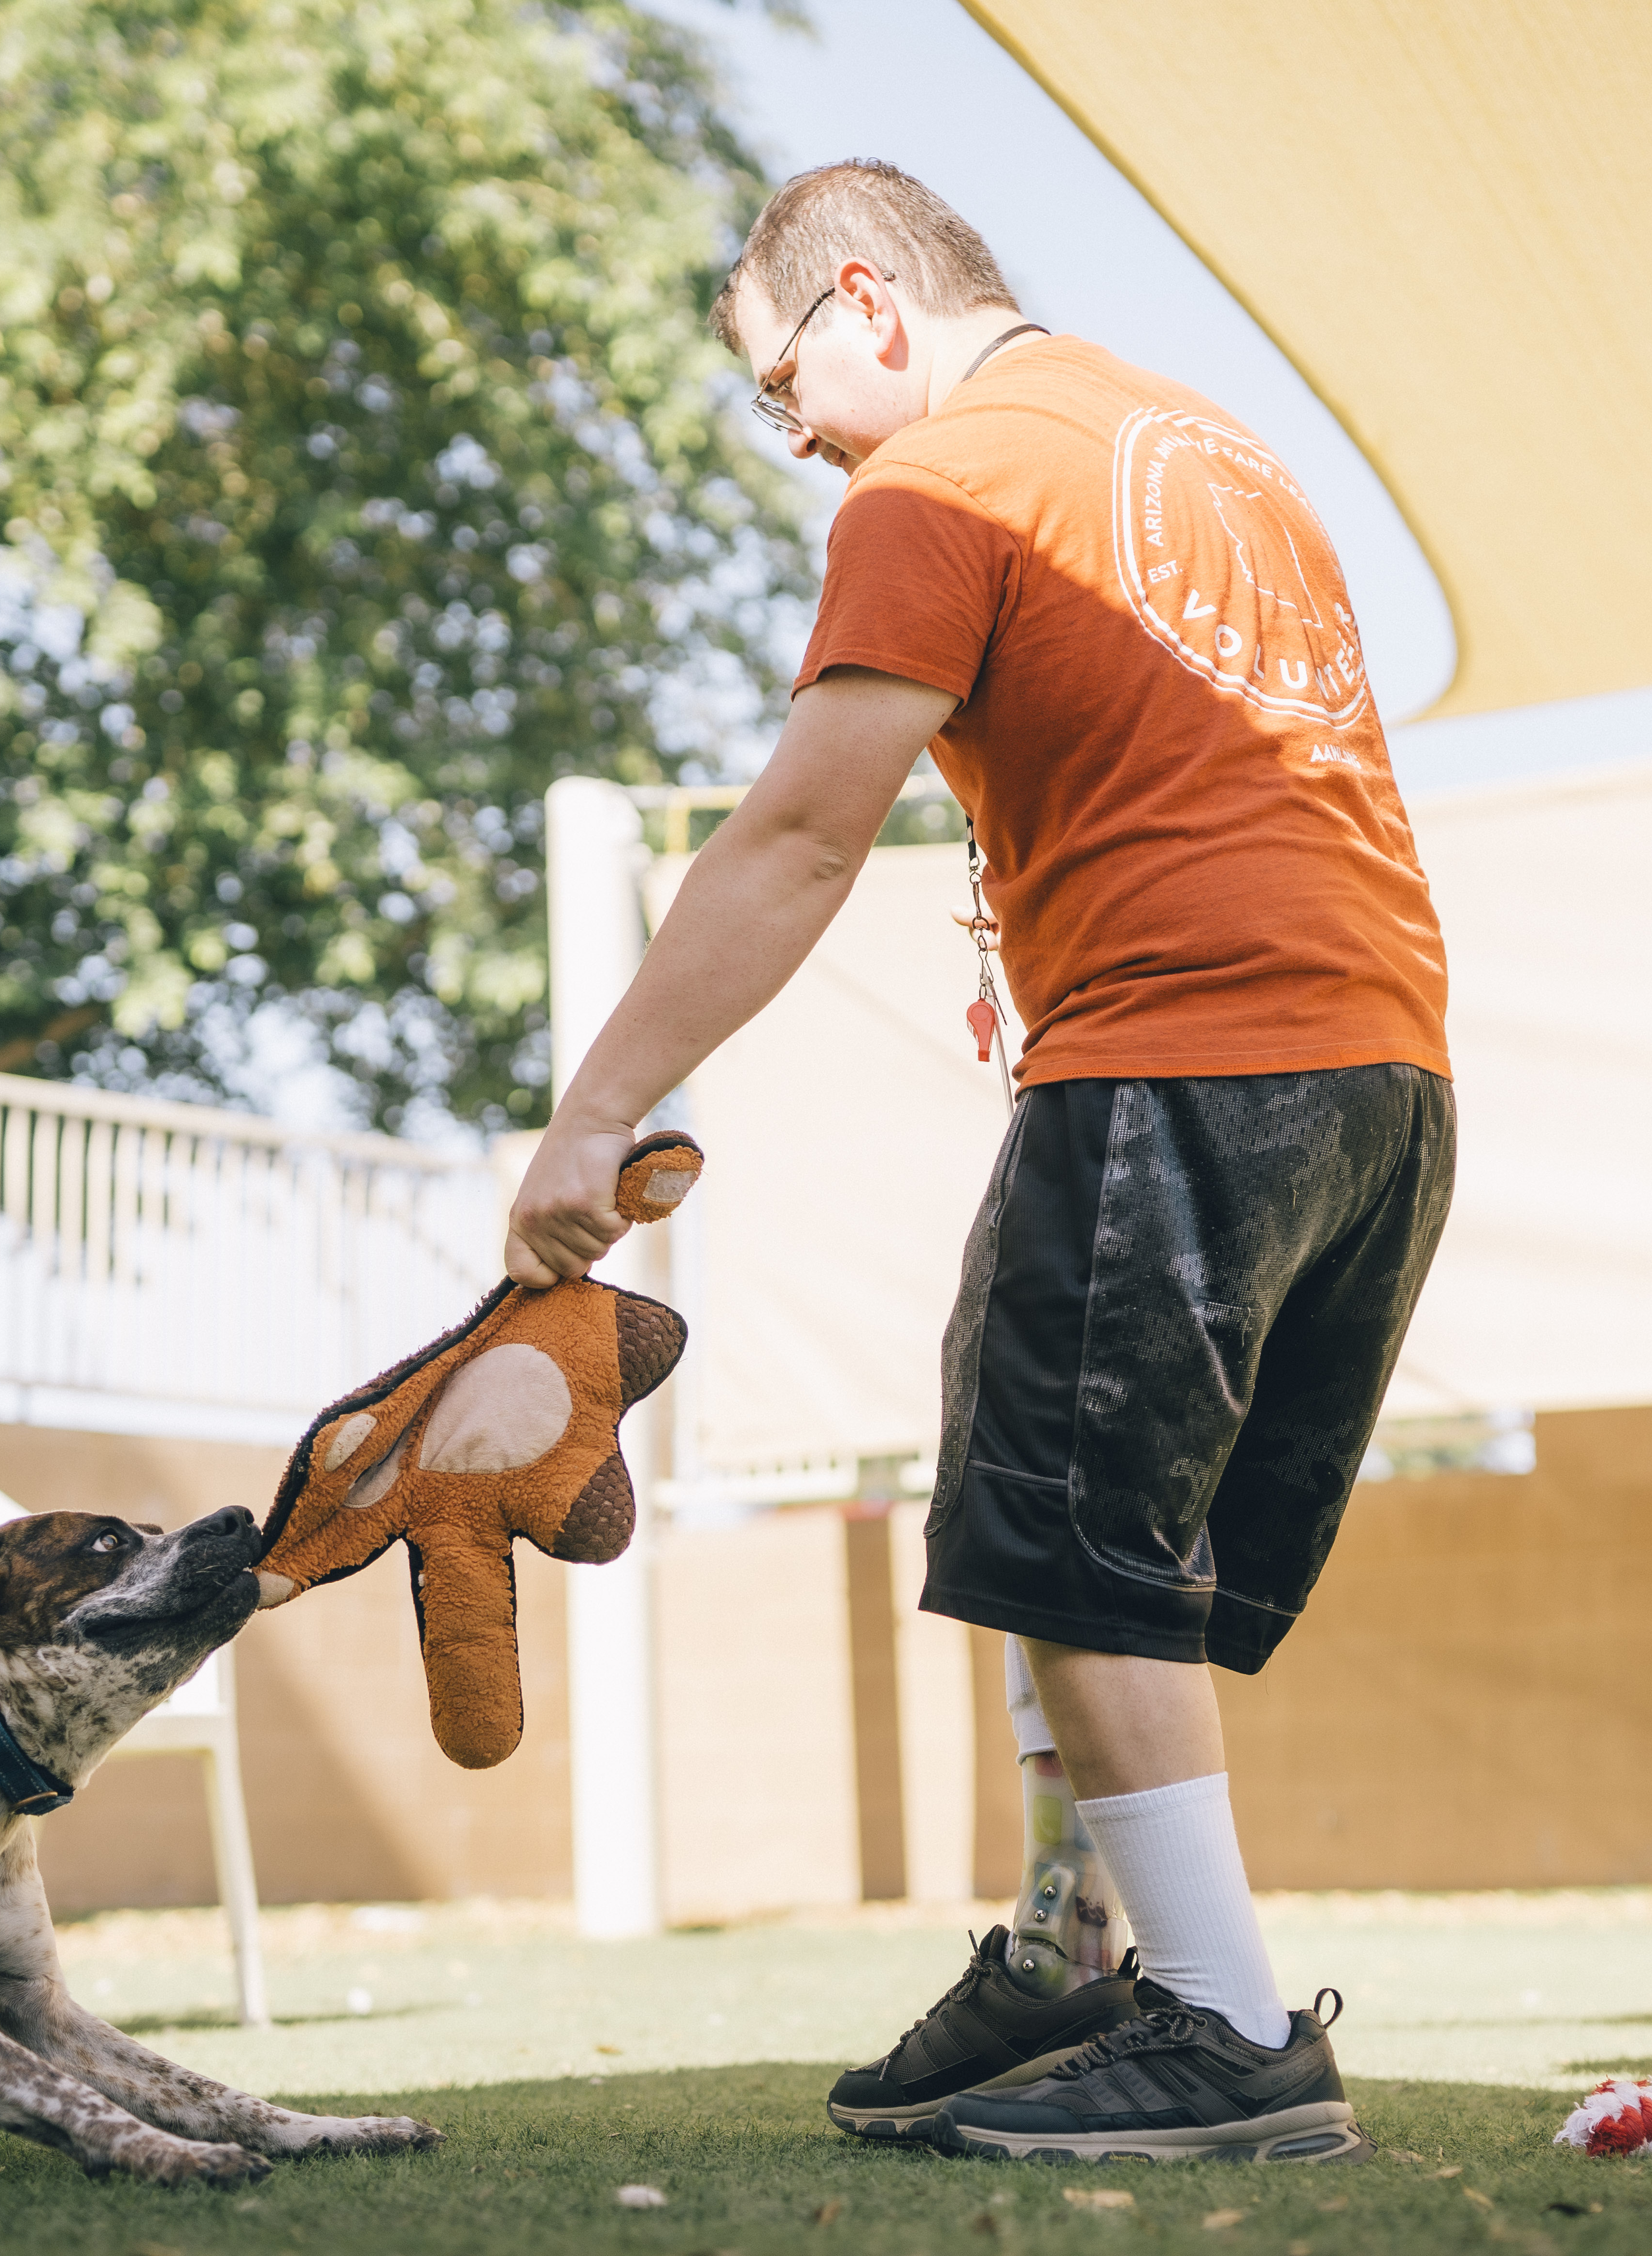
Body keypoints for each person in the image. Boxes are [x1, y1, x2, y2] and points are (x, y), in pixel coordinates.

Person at [504, 159, 1454, 2166]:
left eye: (785, 388)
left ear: (864, 299)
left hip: (1188, 1052)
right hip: (1380, 1075)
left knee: (1074, 1536)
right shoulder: (1206, 442)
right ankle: (1074, 1943)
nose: (799, 437)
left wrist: (596, 1114)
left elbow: (799, 835)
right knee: (1077, 1507)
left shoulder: (937, 479)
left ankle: (1228, 2026)